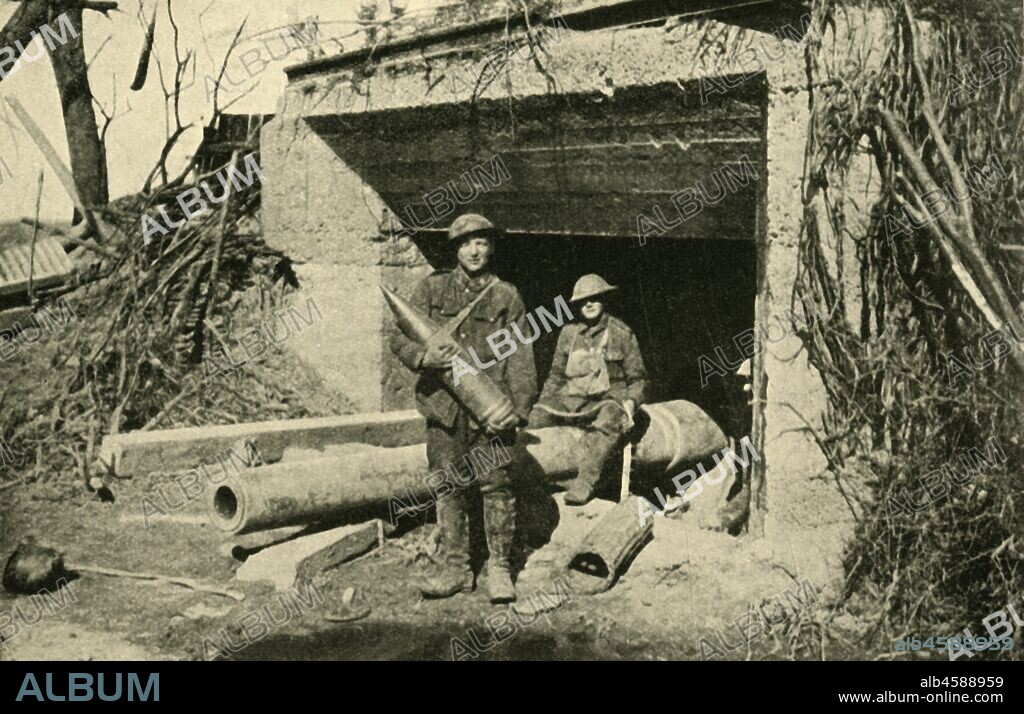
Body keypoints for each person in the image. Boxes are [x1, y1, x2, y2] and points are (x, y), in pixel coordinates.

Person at [390, 213, 536, 603]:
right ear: (455, 249)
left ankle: (500, 570)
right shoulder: (431, 290)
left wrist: (518, 410)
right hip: (444, 410)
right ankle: (457, 569)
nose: (475, 250)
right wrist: (423, 358)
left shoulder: (507, 296)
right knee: (447, 485)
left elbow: (521, 357)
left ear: (491, 248)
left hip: (490, 410)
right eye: (466, 243)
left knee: (496, 487)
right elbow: (398, 340)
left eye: (482, 242)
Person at [530, 274, 647, 506]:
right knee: (534, 421)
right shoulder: (568, 334)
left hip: (608, 401)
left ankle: (585, 481)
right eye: (584, 301)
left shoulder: (621, 333)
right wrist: (541, 405)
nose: (589, 304)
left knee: (608, 421)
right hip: (573, 401)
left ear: (604, 300)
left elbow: (638, 379)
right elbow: (555, 376)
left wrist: (631, 404)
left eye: (594, 299)